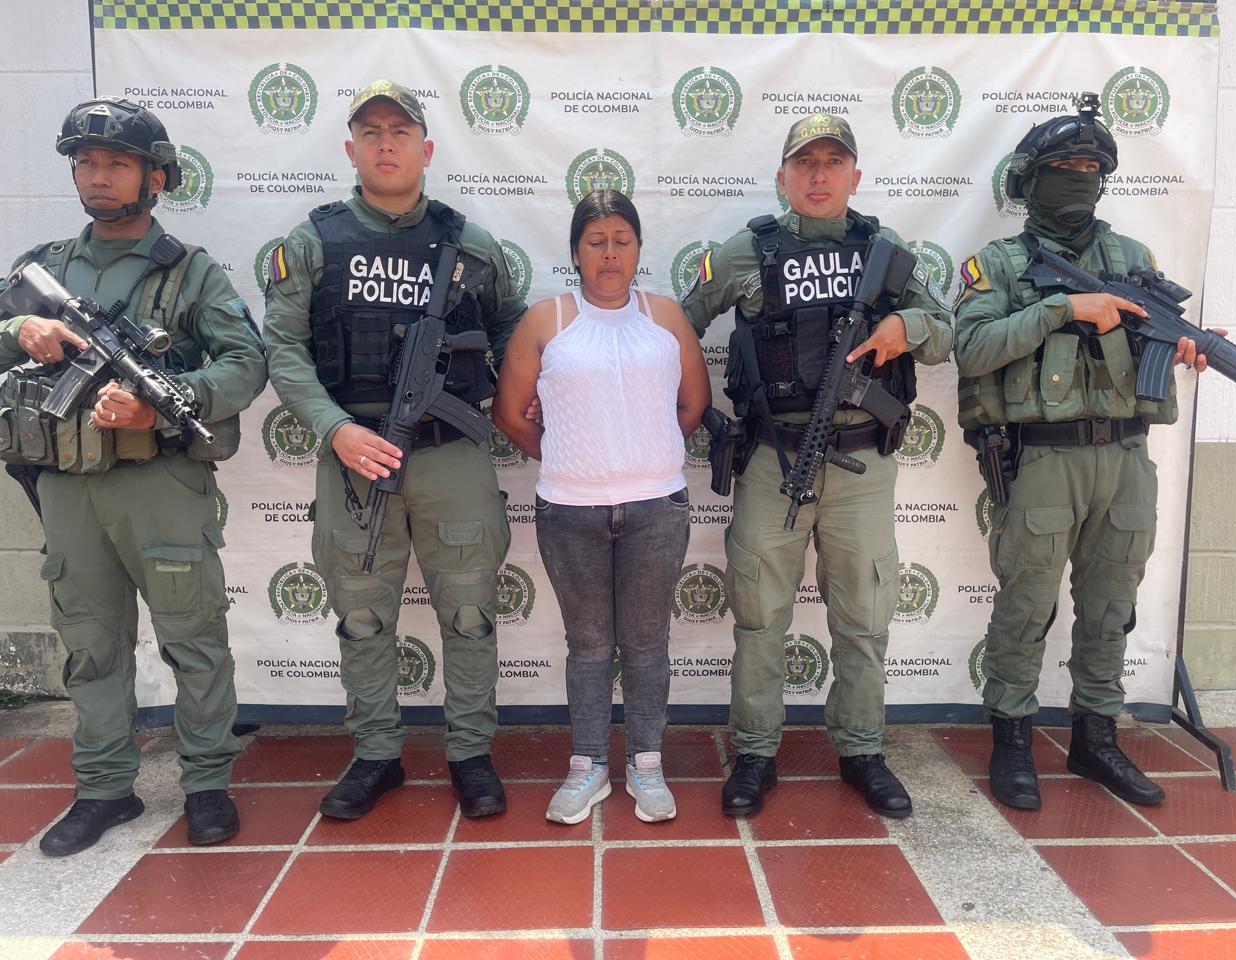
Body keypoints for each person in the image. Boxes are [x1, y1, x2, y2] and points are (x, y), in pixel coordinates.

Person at [0, 97, 268, 854]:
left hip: (158, 486)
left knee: (193, 637)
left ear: (155, 178)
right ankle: (105, 788)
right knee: (90, 642)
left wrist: (161, 410)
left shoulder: (188, 271)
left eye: (117, 163)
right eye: (86, 162)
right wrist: (21, 328)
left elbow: (244, 363)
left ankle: (208, 780)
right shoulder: (42, 269)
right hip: (65, 487)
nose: (99, 176)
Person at [263, 80, 524, 820]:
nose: (385, 143)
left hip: (450, 452)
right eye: (371, 132)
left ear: (425, 149)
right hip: (352, 452)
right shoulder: (314, 241)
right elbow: (281, 347)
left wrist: (500, 393)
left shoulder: (467, 241)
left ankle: (471, 752)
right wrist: (333, 427)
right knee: (363, 617)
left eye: (400, 132)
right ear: (351, 148)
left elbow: (511, 333)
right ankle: (376, 754)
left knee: (470, 611)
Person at [681, 114, 953, 818]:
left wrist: (907, 327)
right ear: (784, 177)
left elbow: (945, 332)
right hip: (773, 462)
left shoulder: (884, 252)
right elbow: (679, 328)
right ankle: (755, 753)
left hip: (863, 464)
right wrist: (701, 416)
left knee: (862, 616)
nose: (820, 175)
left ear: (855, 177)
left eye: (835, 162)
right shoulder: (747, 251)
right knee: (760, 614)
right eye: (805, 164)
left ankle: (862, 750)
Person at [953, 94, 1213, 812]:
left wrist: (1180, 345)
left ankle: (1096, 738)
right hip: (1042, 461)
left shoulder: (1133, 259)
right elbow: (971, 350)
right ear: (1029, 180)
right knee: (1028, 605)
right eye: (1063, 166)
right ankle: (1012, 738)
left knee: (1110, 608)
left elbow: (1156, 341)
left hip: (1126, 459)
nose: (1079, 177)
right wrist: (1064, 308)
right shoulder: (999, 265)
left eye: (1091, 168)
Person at [493, 191, 711, 824]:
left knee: (646, 644)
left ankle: (647, 764)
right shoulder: (547, 322)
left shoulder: (665, 318)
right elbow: (511, 415)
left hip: (655, 509)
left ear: (639, 249)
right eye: (596, 240)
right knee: (588, 646)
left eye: (622, 239)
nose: (610, 251)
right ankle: (588, 765)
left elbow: (691, 407)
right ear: (574, 252)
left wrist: (642, 454)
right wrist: (565, 455)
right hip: (570, 512)